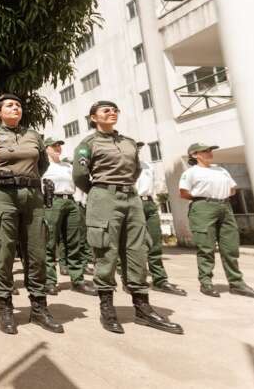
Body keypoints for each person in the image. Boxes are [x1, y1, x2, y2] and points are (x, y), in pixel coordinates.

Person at [73, 100, 182, 335]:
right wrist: (99, 192)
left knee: (137, 250)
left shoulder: (129, 143)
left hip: (131, 198)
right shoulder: (87, 144)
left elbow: (135, 170)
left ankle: (142, 308)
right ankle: (107, 309)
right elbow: (80, 175)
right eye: (106, 110)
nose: (112, 113)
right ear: (93, 118)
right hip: (103, 196)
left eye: (115, 110)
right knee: (106, 251)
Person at [0, 94, 63, 335]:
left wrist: (27, 179)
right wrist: (1, 178)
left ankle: (39, 308)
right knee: (4, 252)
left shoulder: (33, 136)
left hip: (32, 197)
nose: (16, 108)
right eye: (10, 105)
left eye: (18, 105)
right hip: (3, 196)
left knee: (37, 253)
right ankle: (6, 309)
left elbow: (42, 165)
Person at [179, 143, 254, 299]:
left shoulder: (221, 169)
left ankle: (237, 284)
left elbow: (233, 189)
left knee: (230, 247)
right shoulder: (191, 172)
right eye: (206, 151)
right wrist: (203, 200)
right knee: (206, 248)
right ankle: (206, 283)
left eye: (211, 150)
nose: (210, 153)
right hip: (203, 208)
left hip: (225, 206)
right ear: (195, 155)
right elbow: (183, 193)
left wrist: (219, 198)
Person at [42, 138, 96, 296]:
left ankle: (77, 280)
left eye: (59, 145)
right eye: (54, 146)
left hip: (71, 202)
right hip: (52, 202)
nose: (58, 148)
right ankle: (50, 281)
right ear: (46, 149)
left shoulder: (68, 166)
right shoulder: (42, 166)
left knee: (74, 242)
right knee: (49, 242)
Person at [135, 142, 186, 296]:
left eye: (138, 147)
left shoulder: (147, 166)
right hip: (133, 203)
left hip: (149, 203)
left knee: (155, 244)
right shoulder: (120, 166)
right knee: (135, 245)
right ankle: (135, 280)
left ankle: (160, 280)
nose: (136, 150)